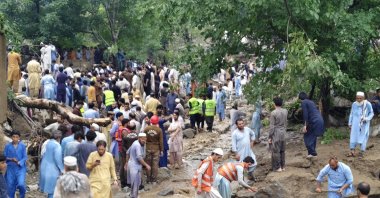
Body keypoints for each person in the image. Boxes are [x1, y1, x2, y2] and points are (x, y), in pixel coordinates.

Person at [348, 92, 374, 159]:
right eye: (357, 98)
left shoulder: (367, 104)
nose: (358, 100)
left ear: (363, 98)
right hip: (355, 124)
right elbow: (351, 113)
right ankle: (352, 151)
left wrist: (366, 118)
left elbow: (372, 113)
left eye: (360, 98)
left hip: (364, 125)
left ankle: (361, 153)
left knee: (363, 138)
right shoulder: (354, 104)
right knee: (353, 137)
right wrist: (350, 123)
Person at [299, 92, 325, 158]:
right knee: (313, 137)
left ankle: (313, 153)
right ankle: (311, 154)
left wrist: (305, 125)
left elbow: (305, 114)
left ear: (300, 98)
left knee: (307, 137)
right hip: (319, 120)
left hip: (314, 121)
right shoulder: (311, 102)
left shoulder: (304, 102)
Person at [125, 133, 151, 198]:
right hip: (134, 166)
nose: (144, 141)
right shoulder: (137, 145)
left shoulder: (137, 143)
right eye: (142, 139)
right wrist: (146, 165)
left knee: (135, 183)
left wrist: (126, 163)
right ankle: (134, 196)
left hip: (134, 165)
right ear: (139, 138)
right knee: (135, 183)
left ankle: (132, 195)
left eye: (145, 139)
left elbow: (127, 152)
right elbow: (139, 158)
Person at [40, 130, 64, 198]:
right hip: (52, 170)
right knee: (52, 191)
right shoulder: (57, 146)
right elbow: (58, 159)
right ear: (59, 137)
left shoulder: (48, 143)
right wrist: (62, 170)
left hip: (44, 166)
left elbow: (43, 154)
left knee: (49, 191)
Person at [4, 130, 27, 198]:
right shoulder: (8, 146)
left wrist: (19, 162)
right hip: (10, 168)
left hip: (20, 168)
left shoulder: (22, 146)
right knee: (10, 186)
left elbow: (25, 157)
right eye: (13, 137)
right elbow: (4, 157)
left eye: (17, 137)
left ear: (19, 137)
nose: (15, 139)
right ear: (11, 137)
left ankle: (22, 196)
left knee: (21, 184)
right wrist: (11, 159)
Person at [268, 97, 288, 172]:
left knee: (276, 151)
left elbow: (272, 126)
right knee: (282, 150)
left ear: (274, 104)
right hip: (283, 132)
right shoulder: (285, 111)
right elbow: (286, 122)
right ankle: (283, 166)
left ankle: (278, 167)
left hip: (276, 133)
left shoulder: (273, 113)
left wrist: (270, 136)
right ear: (282, 103)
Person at [143, 115, 163, 183]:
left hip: (148, 147)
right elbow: (161, 141)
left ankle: (148, 178)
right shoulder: (159, 130)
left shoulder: (146, 129)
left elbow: (143, 139)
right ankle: (154, 179)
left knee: (148, 163)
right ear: (157, 122)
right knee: (155, 164)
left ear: (150, 121)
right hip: (156, 148)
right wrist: (162, 150)